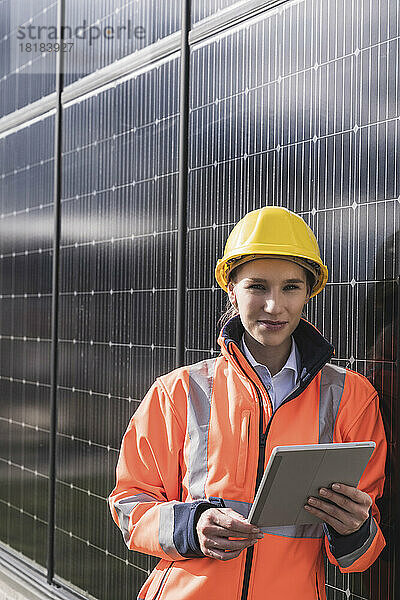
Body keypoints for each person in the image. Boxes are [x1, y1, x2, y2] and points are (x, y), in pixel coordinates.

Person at [108, 206, 386, 600]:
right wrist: (193, 525)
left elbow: (360, 555)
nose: (274, 306)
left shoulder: (352, 398)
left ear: (310, 292)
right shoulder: (177, 392)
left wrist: (354, 528)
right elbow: (128, 506)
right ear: (231, 289)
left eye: (291, 287)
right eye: (257, 286)